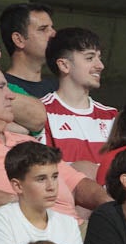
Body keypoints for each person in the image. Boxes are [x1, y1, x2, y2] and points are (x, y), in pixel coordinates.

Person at [0, 59, 107, 219]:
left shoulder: (25, 141)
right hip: (22, 227)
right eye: (1, 87)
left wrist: (111, 206)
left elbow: (77, 184)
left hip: (70, 227)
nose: (11, 96)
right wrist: (23, 203)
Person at [40, 27, 116, 175]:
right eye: (89, 58)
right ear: (64, 65)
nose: (100, 65)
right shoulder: (42, 111)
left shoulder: (111, 115)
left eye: (99, 57)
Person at [0, 2, 57, 98]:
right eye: (43, 29)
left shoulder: (59, 89)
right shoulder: (0, 88)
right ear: (19, 40)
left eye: (52, 28)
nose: (54, 34)